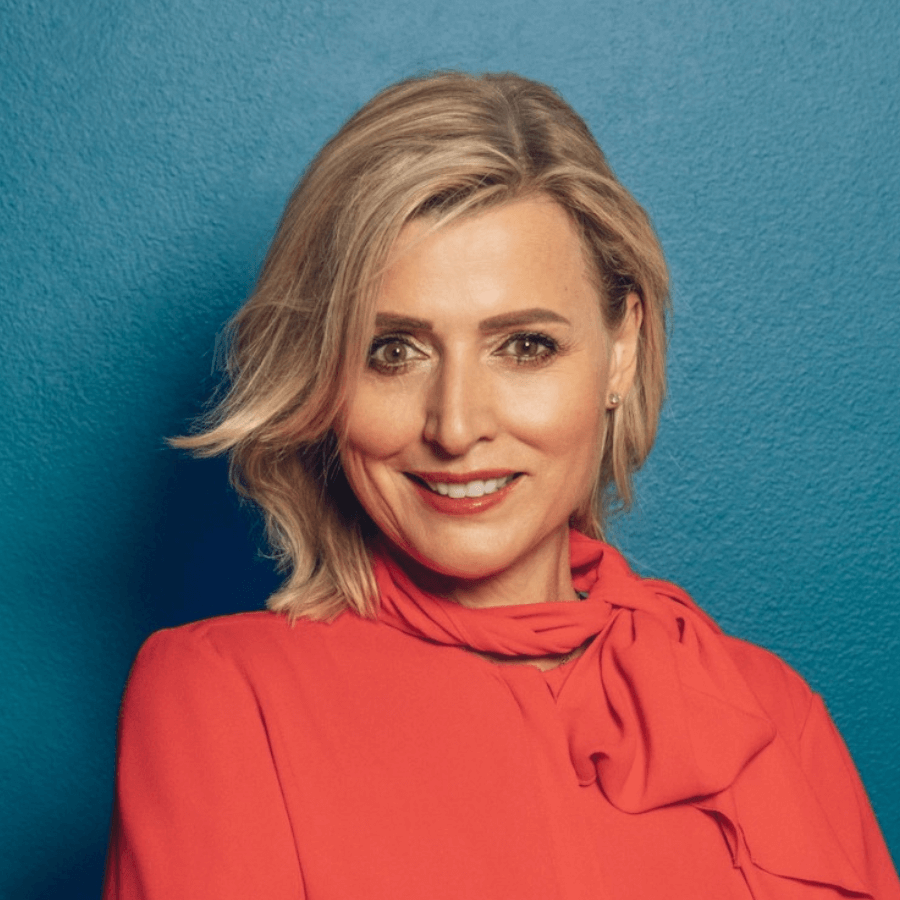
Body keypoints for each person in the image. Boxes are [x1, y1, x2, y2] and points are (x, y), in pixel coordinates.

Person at [102, 72, 899, 899]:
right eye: (392, 352)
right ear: (324, 377)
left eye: (524, 347)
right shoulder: (222, 696)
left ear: (621, 349)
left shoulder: (768, 709)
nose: (455, 426)